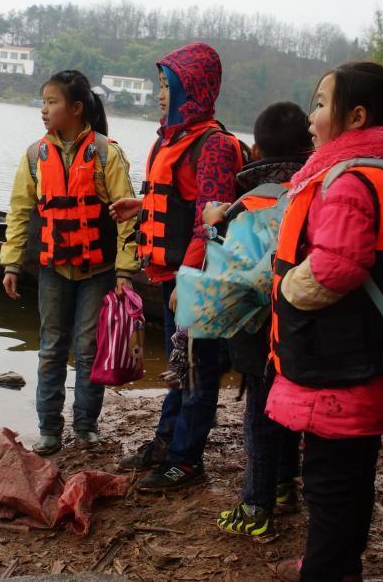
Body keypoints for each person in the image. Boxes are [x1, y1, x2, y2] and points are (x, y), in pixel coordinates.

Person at [266, 62, 383, 582]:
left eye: (322, 104)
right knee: (353, 478)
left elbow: (337, 266)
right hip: (376, 360)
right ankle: (340, 565)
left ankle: (327, 571)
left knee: (327, 485)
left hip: (339, 368)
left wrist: (284, 289)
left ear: (355, 116)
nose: (312, 115)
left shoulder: (350, 180)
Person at [110, 42, 244, 490]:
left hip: (195, 283)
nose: (161, 94)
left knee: (199, 371)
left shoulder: (214, 146)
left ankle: (186, 460)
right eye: (161, 85)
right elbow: (178, 200)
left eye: (170, 85)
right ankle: (166, 442)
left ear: (195, 88)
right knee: (177, 367)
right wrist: (142, 204)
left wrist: (188, 279)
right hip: (170, 276)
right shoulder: (172, 139)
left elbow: (212, 221)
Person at [0, 70, 138, 456]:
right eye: (42, 102)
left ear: (76, 108)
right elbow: (20, 212)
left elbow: (128, 217)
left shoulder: (106, 154)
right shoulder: (34, 156)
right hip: (53, 270)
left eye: (52, 102)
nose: (43, 110)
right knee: (51, 349)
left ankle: (85, 426)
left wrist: (125, 272)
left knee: (89, 348)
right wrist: (12, 263)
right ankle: (48, 428)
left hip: (98, 271)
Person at [203, 102, 312, 542]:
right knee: (287, 411)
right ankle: (285, 486)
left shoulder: (249, 203)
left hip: (258, 331)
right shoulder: (312, 193)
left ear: (255, 149)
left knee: (260, 417)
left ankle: (255, 507)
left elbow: (232, 272)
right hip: (300, 328)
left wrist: (216, 224)